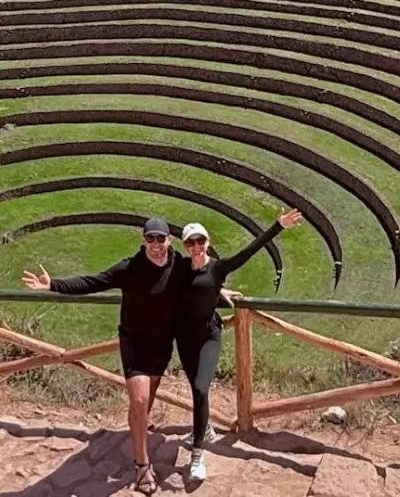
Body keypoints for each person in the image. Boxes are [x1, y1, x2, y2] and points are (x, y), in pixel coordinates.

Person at [23, 216, 185, 494]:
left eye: (161, 239)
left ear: (169, 240)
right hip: (134, 342)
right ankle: (142, 465)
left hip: (162, 343)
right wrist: (53, 285)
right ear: (142, 240)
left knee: (146, 400)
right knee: (139, 399)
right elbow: (92, 282)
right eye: (151, 239)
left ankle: (137, 426)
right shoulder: (130, 268)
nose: (156, 244)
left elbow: (198, 286)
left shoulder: (179, 266)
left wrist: (221, 292)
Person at [171, 208, 304, 483]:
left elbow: (250, 251)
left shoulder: (218, 267)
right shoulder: (180, 268)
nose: (196, 247)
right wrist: (217, 290)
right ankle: (204, 429)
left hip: (209, 335)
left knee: (200, 388)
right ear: (184, 245)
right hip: (183, 337)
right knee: (196, 390)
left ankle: (197, 455)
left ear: (207, 242)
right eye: (190, 243)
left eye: (200, 241)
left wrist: (277, 226)